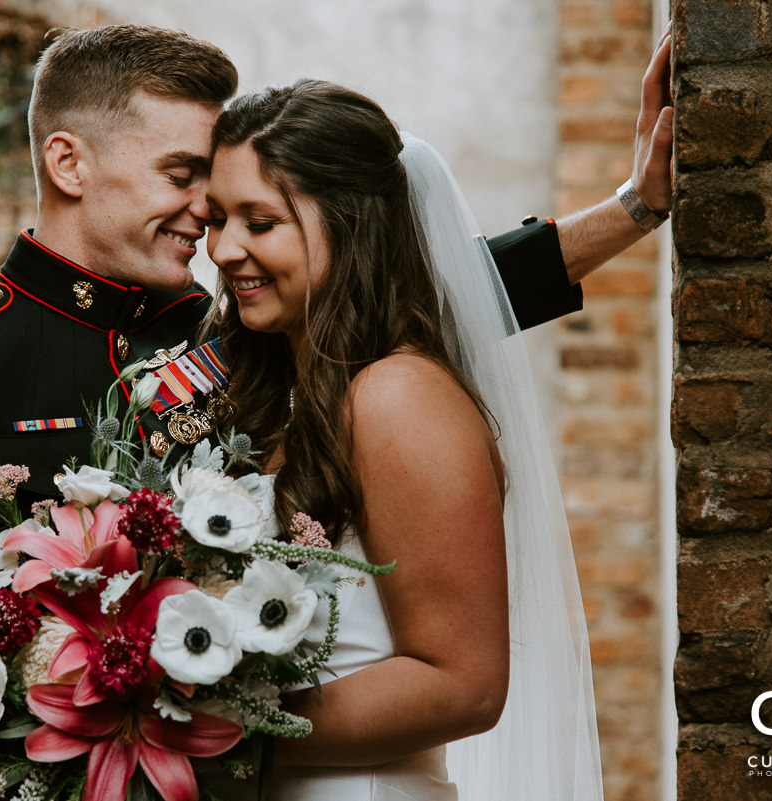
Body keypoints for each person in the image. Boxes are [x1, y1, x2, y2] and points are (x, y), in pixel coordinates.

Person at [0, 23, 671, 801]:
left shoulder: (234, 328)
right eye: (186, 178)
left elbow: (425, 286)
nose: (212, 225)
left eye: (240, 209)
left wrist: (634, 207)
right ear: (69, 163)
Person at [200, 79, 605, 799]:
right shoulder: (274, 390)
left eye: (260, 222)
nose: (225, 249)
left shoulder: (397, 396)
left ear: (349, 224)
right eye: (217, 217)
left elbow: (463, 685)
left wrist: (205, 732)